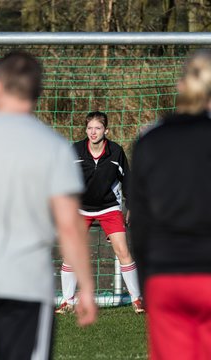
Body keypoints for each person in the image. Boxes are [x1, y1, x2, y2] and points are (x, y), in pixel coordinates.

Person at [0, 51, 97, 360]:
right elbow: (69, 225)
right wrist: (87, 288)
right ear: (38, 93)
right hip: (25, 283)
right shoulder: (53, 147)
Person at [130, 49, 211, 360]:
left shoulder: (150, 140)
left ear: (180, 87)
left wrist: (147, 278)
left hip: (166, 276)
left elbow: (140, 221)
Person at [57, 111, 144, 314]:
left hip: (109, 208)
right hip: (80, 208)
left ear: (106, 130)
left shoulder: (115, 151)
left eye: (97, 128)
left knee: (123, 251)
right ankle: (67, 301)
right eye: (89, 128)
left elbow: (128, 181)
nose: (93, 132)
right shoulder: (76, 150)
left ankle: (137, 299)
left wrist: (130, 206)